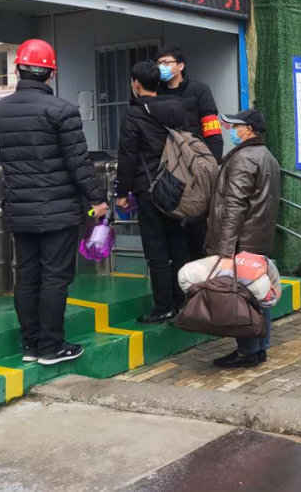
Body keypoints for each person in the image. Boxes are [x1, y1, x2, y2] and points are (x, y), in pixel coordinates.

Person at [0, 40, 107, 365]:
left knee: (26, 276)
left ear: (17, 69)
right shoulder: (62, 111)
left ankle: (30, 345)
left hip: (20, 209)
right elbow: (78, 163)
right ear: (51, 73)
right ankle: (51, 347)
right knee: (54, 277)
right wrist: (97, 199)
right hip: (59, 209)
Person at [204, 109, 280, 369]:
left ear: (249, 130)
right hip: (258, 238)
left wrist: (225, 249)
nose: (232, 131)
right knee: (258, 293)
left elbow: (234, 205)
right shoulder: (266, 156)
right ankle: (260, 347)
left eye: (237, 126)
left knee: (241, 296)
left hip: (242, 242)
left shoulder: (244, 157)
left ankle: (247, 351)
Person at [115, 61, 189, 325]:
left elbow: (128, 156)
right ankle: (181, 301)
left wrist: (121, 192)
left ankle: (163, 307)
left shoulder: (133, 115)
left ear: (136, 84)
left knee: (156, 249)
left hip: (149, 190)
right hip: (178, 186)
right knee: (178, 246)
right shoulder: (177, 108)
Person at [156, 46, 223, 265]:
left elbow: (212, 130)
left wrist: (212, 164)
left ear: (181, 66)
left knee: (197, 226)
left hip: (195, 168)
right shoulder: (156, 92)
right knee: (171, 230)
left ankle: (198, 276)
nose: (162, 67)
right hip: (168, 169)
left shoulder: (199, 90)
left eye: (167, 62)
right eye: (159, 63)